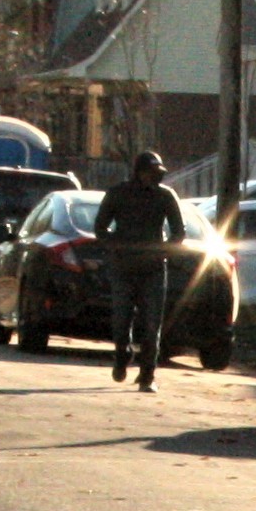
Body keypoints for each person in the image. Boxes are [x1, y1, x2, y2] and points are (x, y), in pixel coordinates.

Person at [93, 150, 185, 389]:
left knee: (152, 324)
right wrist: (115, 245)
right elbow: (100, 227)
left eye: (158, 173)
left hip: (153, 269)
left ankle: (147, 375)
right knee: (121, 320)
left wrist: (164, 250)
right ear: (139, 173)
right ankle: (121, 355)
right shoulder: (118, 194)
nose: (155, 177)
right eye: (150, 172)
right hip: (123, 268)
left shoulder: (165, 196)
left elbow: (179, 232)